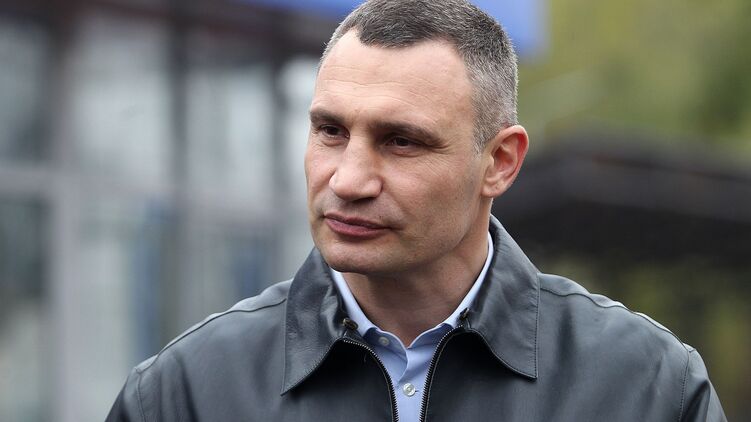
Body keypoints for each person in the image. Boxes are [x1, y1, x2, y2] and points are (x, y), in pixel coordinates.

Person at [107, 0, 726, 420]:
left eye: (401, 141)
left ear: (500, 162)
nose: (348, 179)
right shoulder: (185, 392)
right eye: (330, 131)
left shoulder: (647, 387)